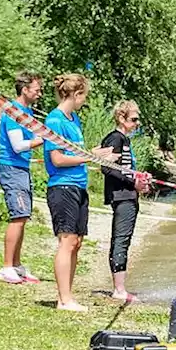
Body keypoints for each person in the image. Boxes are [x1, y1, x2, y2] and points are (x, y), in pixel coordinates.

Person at [46, 74, 118, 312]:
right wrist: (91, 157)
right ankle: (64, 298)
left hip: (79, 185)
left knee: (77, 242)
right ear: (76, 94)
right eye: (84, 96)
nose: (84, 101)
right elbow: (57, 159)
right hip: (62, 186)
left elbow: (74, 153)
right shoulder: (55, 120)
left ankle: (68, 295)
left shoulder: (74, 119)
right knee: (66, 242)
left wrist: (95, 153)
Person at [0, 71, 44, 285]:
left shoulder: (27, 112)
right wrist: (41, 140)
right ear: (25, 89)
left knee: (23, 216)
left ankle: (16, 264)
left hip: (22, 167)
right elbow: (18, 146)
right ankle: (6, 267)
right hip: (11, 167)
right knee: (18, 215)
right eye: (37, 89)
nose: (40, 93)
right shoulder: (14, 112)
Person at [100, 100, 148, 304]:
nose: (137, 123)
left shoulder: (124, 140)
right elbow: (106, 167)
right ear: (121, 118)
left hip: (128, 194)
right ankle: (119, 289)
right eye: (134, 119)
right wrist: (132, 181)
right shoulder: (115, 138)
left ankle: (121, 286)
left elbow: (125, 168)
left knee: (124, 240)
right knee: (121, 240)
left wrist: (140, 180)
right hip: (121, 196)